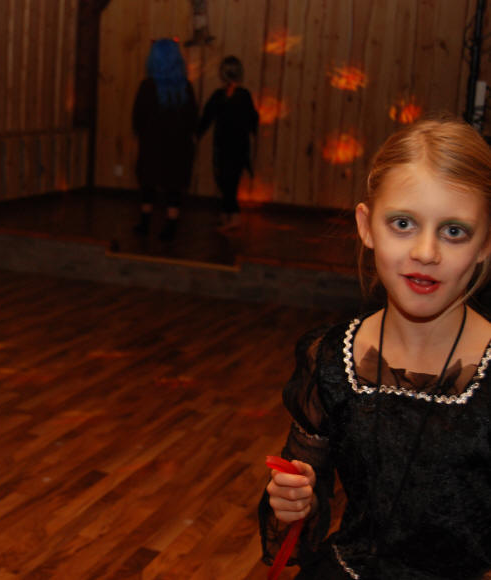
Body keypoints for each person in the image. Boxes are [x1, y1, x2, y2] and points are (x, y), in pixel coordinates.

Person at [260, 117, 491, 579]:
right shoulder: (332, 359)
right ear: (366, 227)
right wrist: (294, 502)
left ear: (486, 243)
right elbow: (303, 508)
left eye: (454, 231)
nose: (425, 252)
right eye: (402, 223)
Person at [132, 38, 198, 242]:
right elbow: (193, 120)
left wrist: (144, 134)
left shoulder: (147, 87)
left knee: (148, 183)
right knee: (174, 186)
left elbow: (137, 119)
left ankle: (145, 224)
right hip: (178, 147)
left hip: (152, 146)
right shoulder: (185, 88)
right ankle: (170, 227)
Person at [197, 56, 258, 230]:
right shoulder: (235, 95)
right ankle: (226, 214)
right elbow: (253, 119)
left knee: (228, 181)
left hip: (231, 146)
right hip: (232, 146)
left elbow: (206, 118)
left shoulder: (229, 96)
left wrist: (197, 133)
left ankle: (234, 216)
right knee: (226, 181)